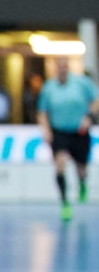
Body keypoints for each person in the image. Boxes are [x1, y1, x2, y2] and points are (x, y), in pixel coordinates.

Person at [37, 56, 99, 221]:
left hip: (79, 131)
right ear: (56, 68)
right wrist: (46, 130)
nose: (63, 69)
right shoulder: (49, 87)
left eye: (65, 66)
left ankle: (82, 183)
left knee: (81, 168)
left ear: (68, 67)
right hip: (59, 131)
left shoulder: (82, 83)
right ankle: (64, 202)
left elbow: (96, 101)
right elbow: (42, 111)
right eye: (60, 66)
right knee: (60, 164)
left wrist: (89, 117)